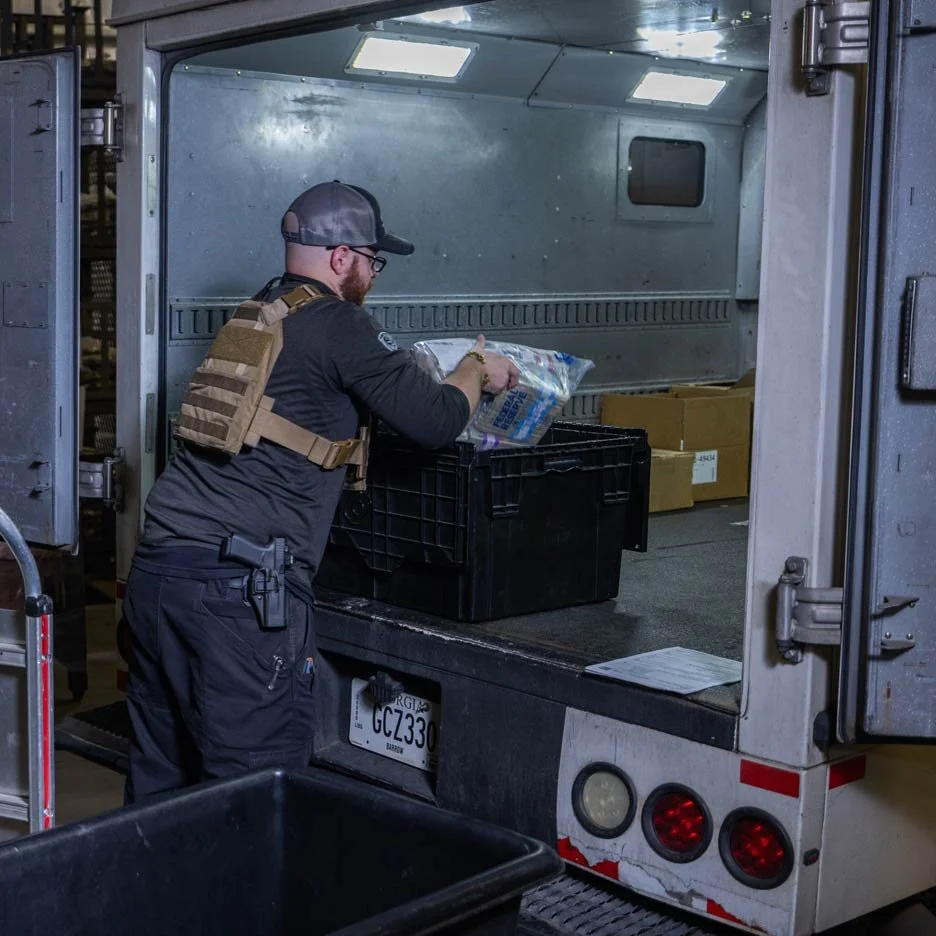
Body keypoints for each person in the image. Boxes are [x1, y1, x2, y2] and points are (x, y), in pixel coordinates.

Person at [121, 180, 519, 802]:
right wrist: (476, 368)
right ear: (342, 258)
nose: (373, 275)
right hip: (236, 592)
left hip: (160, 574)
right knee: (255, 794)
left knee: (160, 778)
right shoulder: (339, 322)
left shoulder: (260, 313)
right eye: (372, 261)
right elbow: (438, 421)